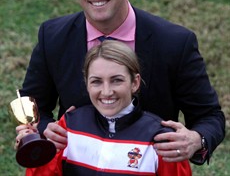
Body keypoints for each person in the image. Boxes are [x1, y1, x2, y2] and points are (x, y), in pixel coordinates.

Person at [18, 0, 225, 165]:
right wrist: (45, 129)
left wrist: (196, 140)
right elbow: (32, 106)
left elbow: (210, 117)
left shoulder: (174, 42)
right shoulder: (53, 36)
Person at [17, 40, 192, 175]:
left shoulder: (162, 139)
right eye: (97, 81)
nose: (107, 91)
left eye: (117, 80)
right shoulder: (68, 125)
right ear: (86, 84)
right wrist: (35, 151)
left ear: (135, 82)